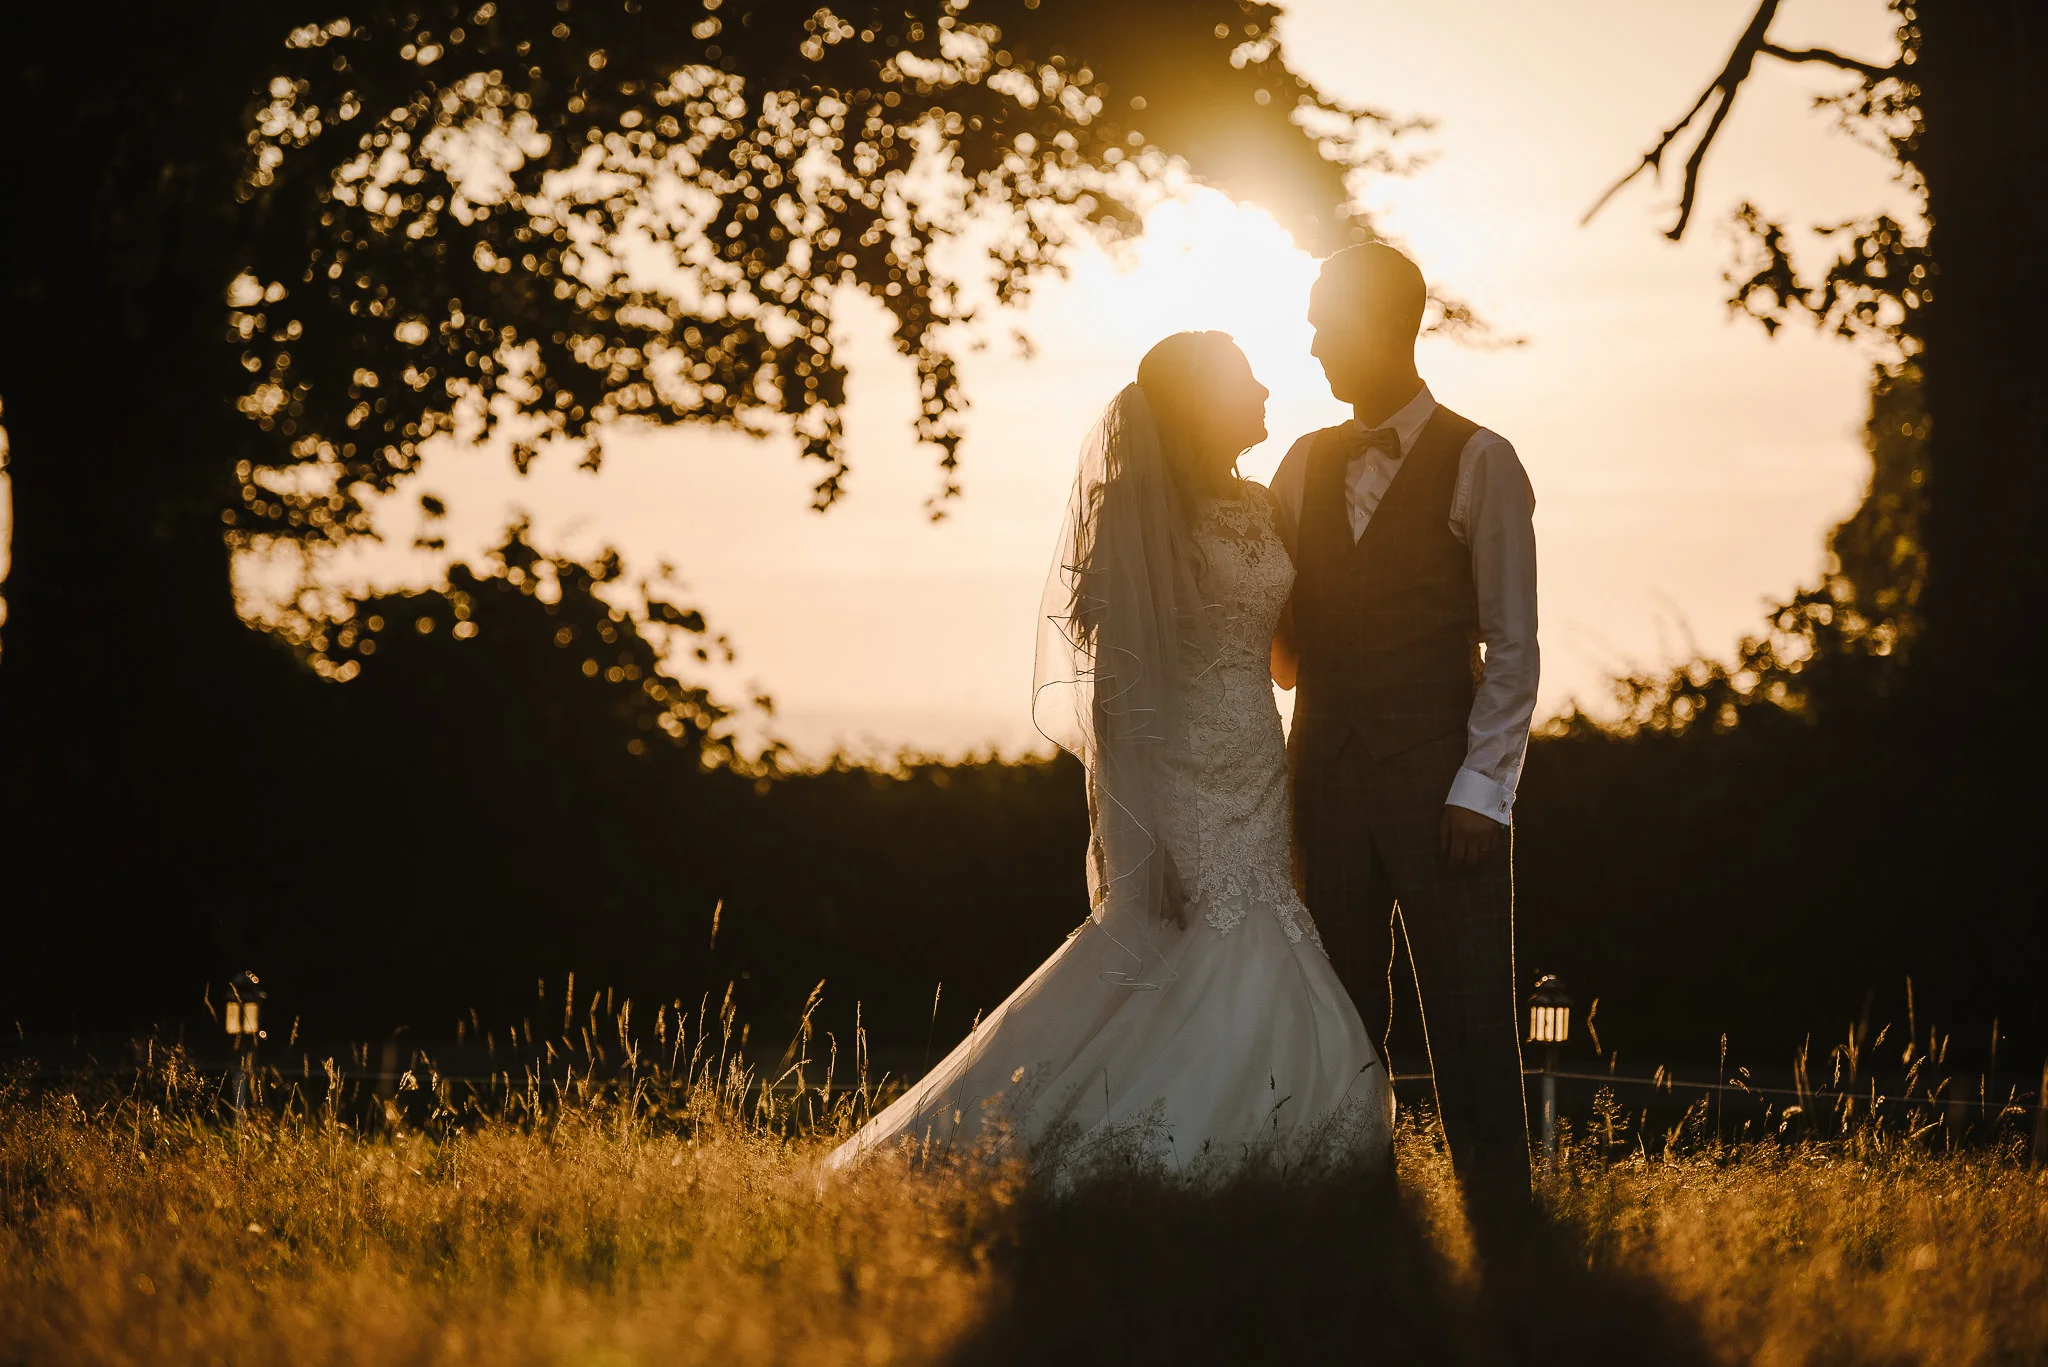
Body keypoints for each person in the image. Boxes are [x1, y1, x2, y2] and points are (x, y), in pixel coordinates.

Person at [826, 331, 1389, 1181]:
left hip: (1258, 757)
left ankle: (1278, 1141)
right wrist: (1142, 837)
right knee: (1194, 939)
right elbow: (1118, 697)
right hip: (1176, 770)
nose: (1267, 390)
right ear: (1204, 403)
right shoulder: (1136, 512)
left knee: (1264, 924)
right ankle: (1155, 1144)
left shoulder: (1265, 507)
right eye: (1245, 381)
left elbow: (1283, 656)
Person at [1270, 242, 1541, 1225]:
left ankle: (1503, 1221)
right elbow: (1279, 633)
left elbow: (1512, 645)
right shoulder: (1298, 464)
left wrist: (1480, 789)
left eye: (1321, 323)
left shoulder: (1481, 459)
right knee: (1335, 1014)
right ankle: (1357, 1217)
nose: (1309, 346)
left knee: (1471, 1015)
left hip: (1443, 792)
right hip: (1322, 788)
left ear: (1380, 324)